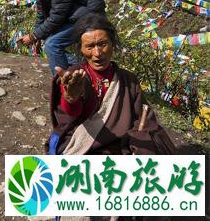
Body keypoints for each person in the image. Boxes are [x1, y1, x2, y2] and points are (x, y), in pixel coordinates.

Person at [47, 13, 175, 155]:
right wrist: (71, 99)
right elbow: (67, 119)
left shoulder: (128, 80)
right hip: (82, 144)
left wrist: (140, 143)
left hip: (120, 146)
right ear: (81, 49)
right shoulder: (73, 77)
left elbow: (145, 121)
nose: (97, 53)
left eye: (102, 44)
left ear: (113, 44)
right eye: (90, 46)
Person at [5, 0, 106, 75]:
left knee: (53, 45)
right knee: (49, 40)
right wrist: (37, 35)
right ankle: (80, 70)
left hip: (90, 15)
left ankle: (62, 84)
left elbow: (59, 13)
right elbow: (42, 9)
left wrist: (34, 36)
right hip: (74, 15)